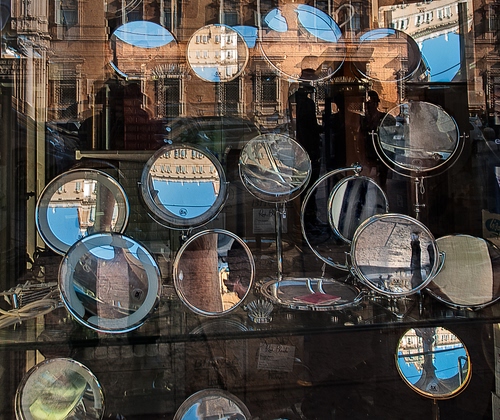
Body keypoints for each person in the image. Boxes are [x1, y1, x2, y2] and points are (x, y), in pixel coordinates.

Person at [360, 90, 388, 187]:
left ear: (376, 103)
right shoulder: (362, 120)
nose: (368, 105)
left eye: (370, 102)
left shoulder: (383, 118)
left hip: (381, 155)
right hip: (367, 155)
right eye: (366, 103)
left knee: (381, 183)